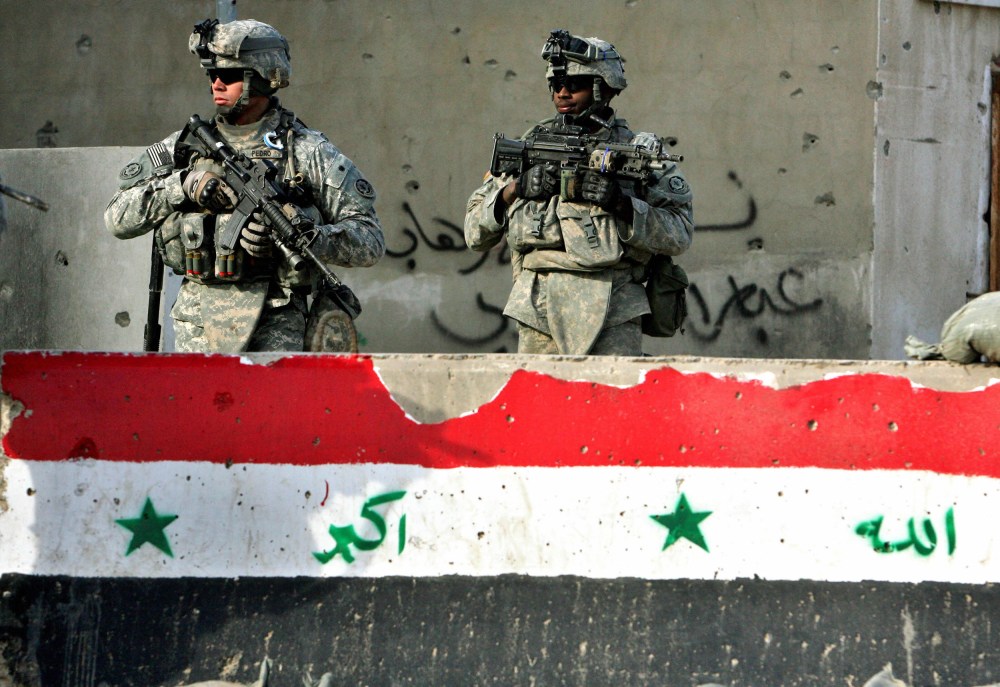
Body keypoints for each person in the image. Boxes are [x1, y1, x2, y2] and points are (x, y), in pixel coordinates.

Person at [105, 18, 384, 353]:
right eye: (212, 75)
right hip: (198, 326)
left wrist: (309, 234)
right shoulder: (185, 148)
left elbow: (369, 240)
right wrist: (182, 185)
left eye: (231, 75)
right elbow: (116, 218)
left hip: (276, 324)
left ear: (263, 78)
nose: (217, 84)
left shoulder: (307, 153)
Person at [464, 30, 693, 355]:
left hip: (615, 307)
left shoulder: (635, 156)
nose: (562, 94)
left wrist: (621, 204)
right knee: (541, 403)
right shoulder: (527, 149)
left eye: (575, 85)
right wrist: (514, 190)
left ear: (603, 87)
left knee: (612, 401)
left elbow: (680, 234)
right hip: (537, 306)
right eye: (556, 85)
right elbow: (474, 233)